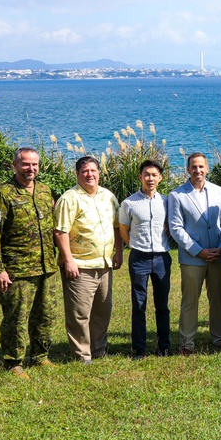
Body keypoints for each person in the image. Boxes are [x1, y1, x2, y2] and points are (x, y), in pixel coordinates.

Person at [0, 146, 59, 378]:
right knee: (16, 318)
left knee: (45, 315)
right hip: (17, 269)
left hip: (46, 266)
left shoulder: (45, 191)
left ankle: (40, 356)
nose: (31, 168)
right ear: (15, 165)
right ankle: (13, 361)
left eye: (34, 164)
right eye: (26, 164)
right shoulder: (4, 193)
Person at [55, 155, 123, 363]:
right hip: (80, 265)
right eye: (84, 171)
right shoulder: (69, 198)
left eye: (93, 171)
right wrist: (68, 260)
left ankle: (99, 349)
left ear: (99, 173)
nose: (89, 175)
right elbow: (60, 232)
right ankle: (82, 355)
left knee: (102, 311)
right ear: (77, 174)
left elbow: (117, 227)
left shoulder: (108, 196)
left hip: (104, 264)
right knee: (80, 313)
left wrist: (119, 252)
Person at [168, 152, 221, 355]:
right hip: (192, 258)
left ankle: (220, 339)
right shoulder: (177, 195)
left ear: (207, 168)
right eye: (194, 167)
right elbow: (176, 228)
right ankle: (186, 344)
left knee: (219, 299)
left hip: (217, 256)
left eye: (201, 166)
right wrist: (199, 251)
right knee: (190, 301)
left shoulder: (218, 191)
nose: (198, 170)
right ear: (188, 169)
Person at [118, 159, 171, 359]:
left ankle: (164, 346)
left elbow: (170, 227)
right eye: (146, 174)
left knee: (162, 304)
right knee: (139, 304)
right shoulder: (129, 203)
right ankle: (139, 349)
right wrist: (133, 245)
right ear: (140, 177)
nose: (150, 178)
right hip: (138, 258)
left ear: (160, 178)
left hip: (162, 257)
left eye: (154, 175)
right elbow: (123, 230)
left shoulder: (167, 201)